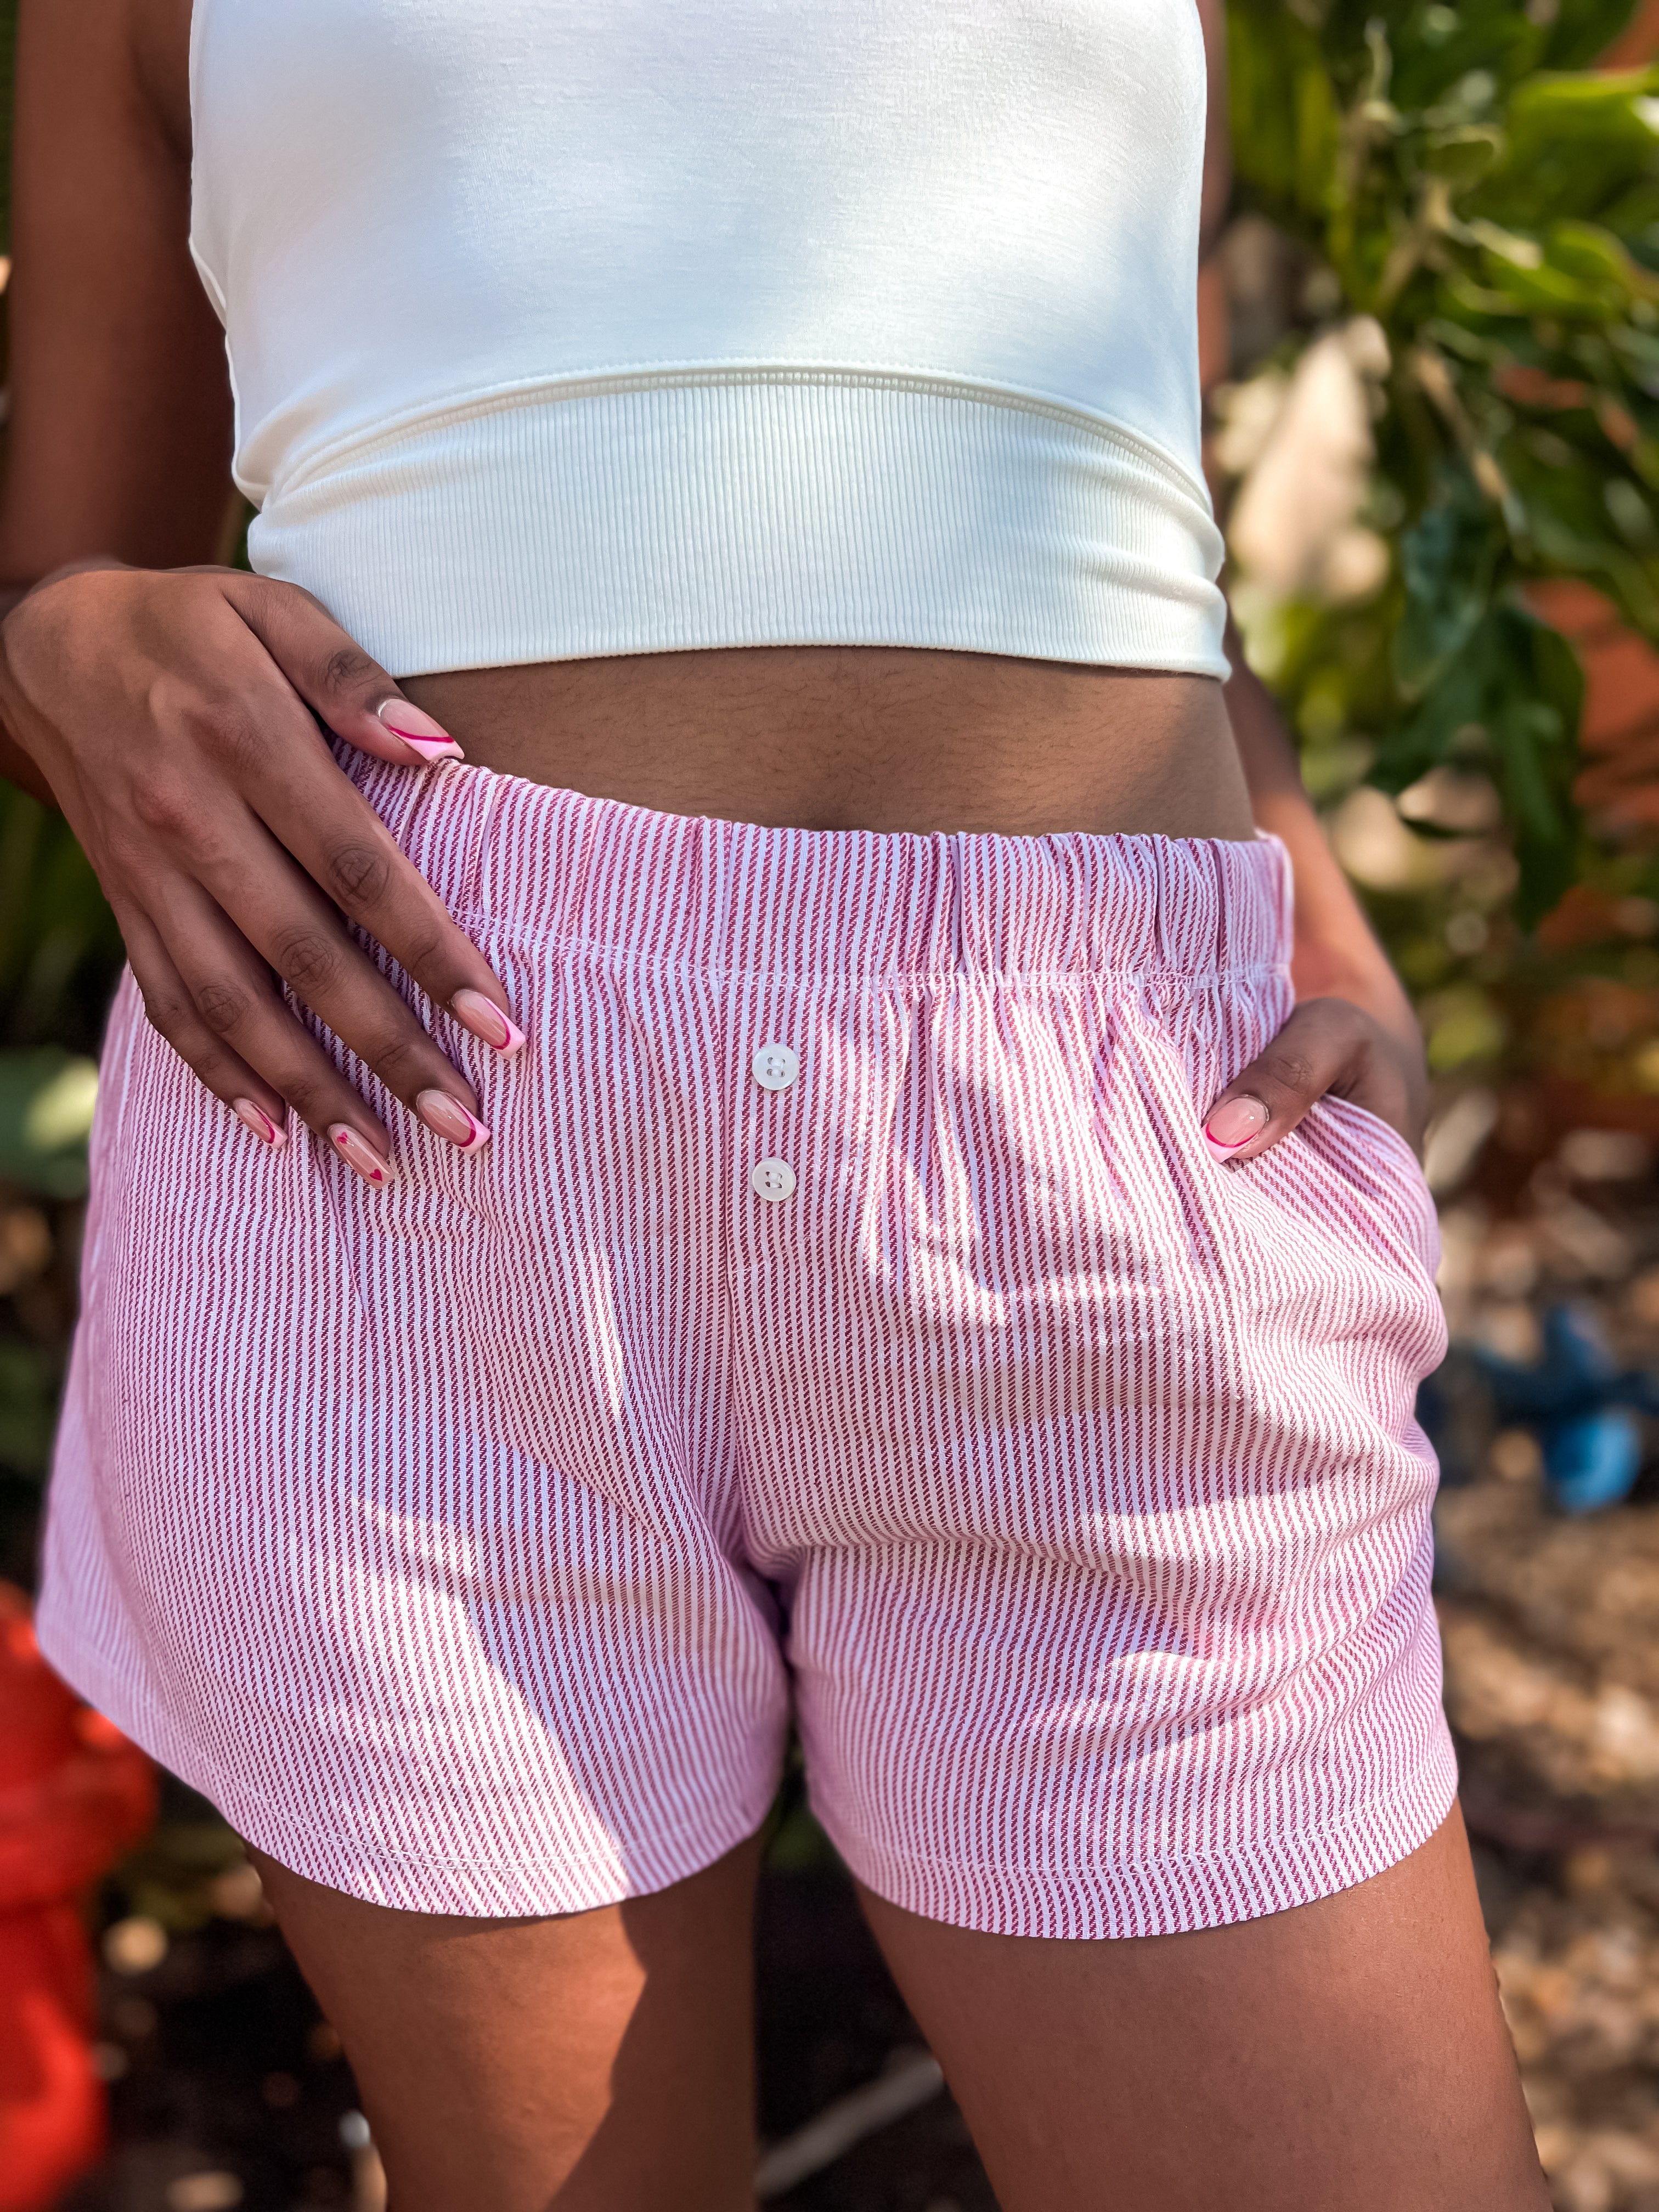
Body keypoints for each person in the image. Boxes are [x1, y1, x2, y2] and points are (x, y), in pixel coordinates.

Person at [0, 2, 1548, 2206]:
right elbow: (67, 572)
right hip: (391, 1142)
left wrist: (1316, 915)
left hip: (1110, 1166)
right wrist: (62, 649)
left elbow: (1117, 476)